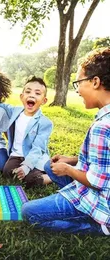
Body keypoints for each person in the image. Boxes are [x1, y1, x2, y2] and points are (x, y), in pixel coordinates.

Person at [22, 47, 110, 235]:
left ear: (95, 82)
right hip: (100, 189)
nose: (77, 91)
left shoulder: (103, 126)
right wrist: (70, 160)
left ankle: (98, 226)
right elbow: (103, 163)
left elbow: (98, 182)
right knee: (48, 166)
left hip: (101, 200)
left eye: (78, 83)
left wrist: (67, 169)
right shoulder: (105, 117)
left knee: (28, 212)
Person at [0, 76, 53, 188]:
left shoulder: (45, 123)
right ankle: (23, 173)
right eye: (28, 92)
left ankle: (52, 176)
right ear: (22, 97)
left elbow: (38, 149)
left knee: (30, 180)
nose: (32, 95)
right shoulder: (15, 111)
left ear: (44, 100)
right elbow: (1, 105)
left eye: (37, 93)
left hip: (34, 157)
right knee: (7, 173)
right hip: (16, 156)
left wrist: (26, 166)